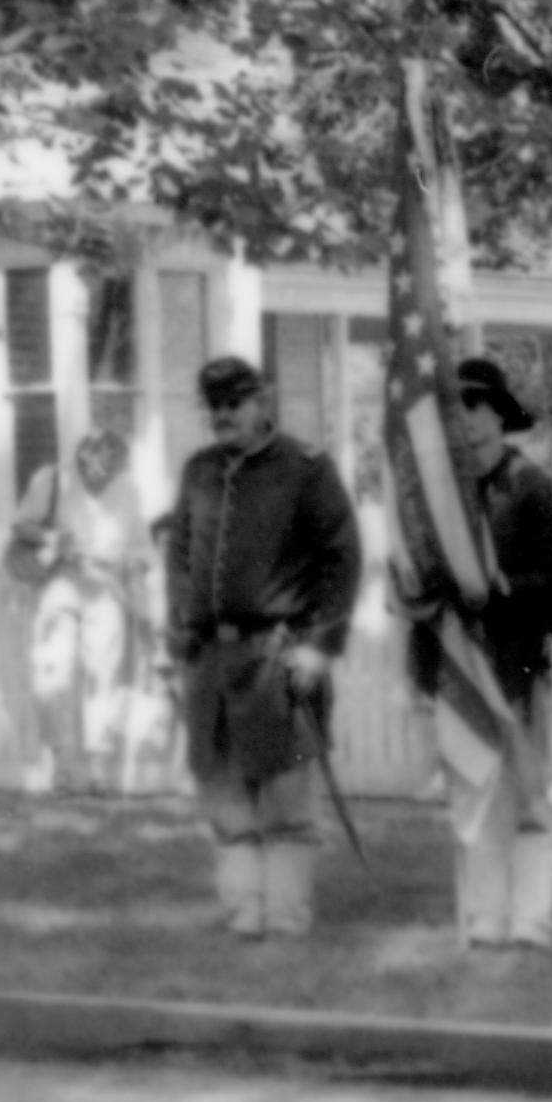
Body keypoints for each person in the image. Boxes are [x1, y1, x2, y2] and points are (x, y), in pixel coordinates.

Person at [164, 356, 362, 941]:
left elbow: (343, 557)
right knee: (225, 801)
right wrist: (178, 627)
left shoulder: (306, 470)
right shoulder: (199, 471)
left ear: (263, 402)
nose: (223, 415)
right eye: (215, 405)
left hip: (279, 658)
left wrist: (322, 645)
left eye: (235, 402)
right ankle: (244, 913)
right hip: (211, 662)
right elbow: (179, 556)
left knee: (286, 803)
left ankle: (286, 916)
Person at [418, 360, 552, 949]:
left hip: (519, 656)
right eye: (455, 413)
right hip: (459, 659)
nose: (468, 425)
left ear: (501, 417)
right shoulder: (438, 495)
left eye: (478, 410)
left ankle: (532, 917)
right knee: (473, 790)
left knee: (529, 789)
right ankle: (485, 916)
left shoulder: (532, 487)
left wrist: (505, 587)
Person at [11, 427, 152, 795]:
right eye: (96, 470)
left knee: (102, 675)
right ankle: (60, 764)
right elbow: (22, 525)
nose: (102, 478)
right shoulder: (52, 480)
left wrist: (136, 575)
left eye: (111, 471)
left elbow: (140, 547)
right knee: (55, 669)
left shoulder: (129, 490)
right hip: (61, 580)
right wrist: (52, 539)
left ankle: (98, 770)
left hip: (106, 586)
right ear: (81, 459)